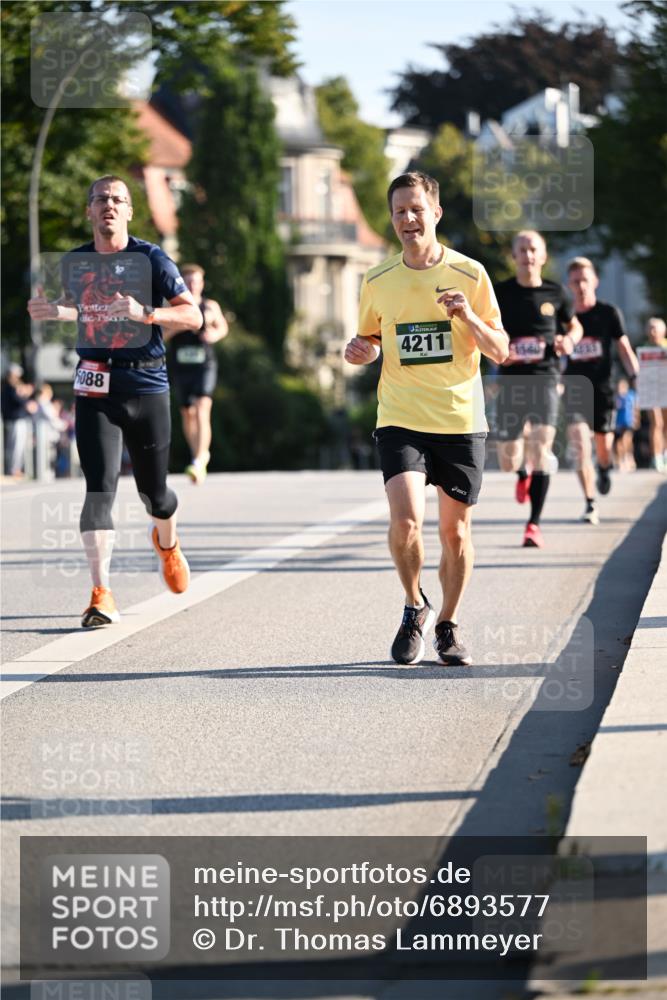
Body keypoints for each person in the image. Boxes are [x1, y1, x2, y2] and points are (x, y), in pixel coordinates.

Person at [344, 171, 508, 666]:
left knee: (455, 534)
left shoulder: (471, 274)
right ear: (392, 219)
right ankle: (414, 604)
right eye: (399, 212)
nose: (408, 219)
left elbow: (499, 350)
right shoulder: (377, 280)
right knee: (406, 522)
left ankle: (448, 623)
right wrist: (362, 349)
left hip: (459, 419)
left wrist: (468, 318)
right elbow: (370, 339)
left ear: (435, 213)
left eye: (417, 209)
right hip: (400, 416)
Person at [27, 174, 201, 627]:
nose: (108, 205)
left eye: (117, 200)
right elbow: (78, 308)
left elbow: (193, 313)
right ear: (89, 210)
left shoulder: (150, 258)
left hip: (145, 385)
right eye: (100, 198)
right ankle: (101, 593)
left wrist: (147, 313)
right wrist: (53, 312)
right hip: (94, 387)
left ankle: (167, 542)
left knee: (155, 495)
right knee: (99, 488)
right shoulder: (75, 262)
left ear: (129, 211)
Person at [494, 231, 583, 548]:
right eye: (522, 249)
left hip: (545, 378)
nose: (528, 255)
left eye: (534, 249)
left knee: (541, 447)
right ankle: (521, 475)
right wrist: (500, 344)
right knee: (509, 458)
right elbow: (486, 327)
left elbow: (574, 324)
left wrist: (569, 340)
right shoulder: (500, 292)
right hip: (509, 380)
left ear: (543, 256)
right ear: (514, 254)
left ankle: (533, 524)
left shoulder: (556, 292)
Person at [563, 257, 639, 522]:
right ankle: (590, 502)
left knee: (603, 445)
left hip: (603, 389)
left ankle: (604, 467)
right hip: (573, 390)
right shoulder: (566, 317)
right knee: (580, 445)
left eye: (585, 280)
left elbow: (624, 348)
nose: (581, 286)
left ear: (595, 281)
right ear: (569, 285)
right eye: (575, 281)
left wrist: (635, 376)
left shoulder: (609, 313)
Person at [164, 263, 228, 484]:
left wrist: (213, 334)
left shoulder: (210, 306)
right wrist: (183, 324)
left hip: (204, 364)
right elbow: (161, 335)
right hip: (181, 365)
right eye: (188, 280)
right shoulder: (174, 307)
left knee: (202, 407)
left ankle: (199, 461)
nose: (192, 285)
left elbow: (223, 328)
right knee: (187, 413)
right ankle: (197, 454)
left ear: (202, 283)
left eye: (196, 281)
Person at [1, 363, 36, 476]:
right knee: (16, 447)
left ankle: (15, 469)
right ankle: (14, 469)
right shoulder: (10, 387)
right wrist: (26, 399)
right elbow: (20, 401)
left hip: (17, 420)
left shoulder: (12, 387)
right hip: (15, 421)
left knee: (18, 446)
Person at [642, 317, 667, 473]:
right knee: (656, 423)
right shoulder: (644, 349)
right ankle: (656, 457)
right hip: (651, 391)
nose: (652, 331)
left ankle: (665, 453)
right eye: (650, 328)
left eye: (655, 328)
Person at [613, 377, 637, 473]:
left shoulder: (631, 395)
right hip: (618, 423)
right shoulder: (615, 397)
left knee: (628, 440)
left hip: (628, 422)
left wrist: (636, 419)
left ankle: (629, 457)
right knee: (619, 442)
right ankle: (620, 460)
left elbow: (635, 408)